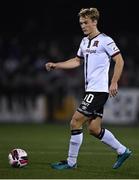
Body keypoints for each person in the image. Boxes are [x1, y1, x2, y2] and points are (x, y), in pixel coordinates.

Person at [45, 7, 132, 170]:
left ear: (94, 22)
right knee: (93, 128)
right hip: (91, 90)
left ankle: (71, 163)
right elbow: (77, 61)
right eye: (81, 23)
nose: (83, 26)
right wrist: (57, 65)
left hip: (98, 91)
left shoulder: (106, 40)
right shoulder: (84, 42)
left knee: (75, 121)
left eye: (86, 22)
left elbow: (119, 61)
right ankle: (123, 151)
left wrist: (114, 82)